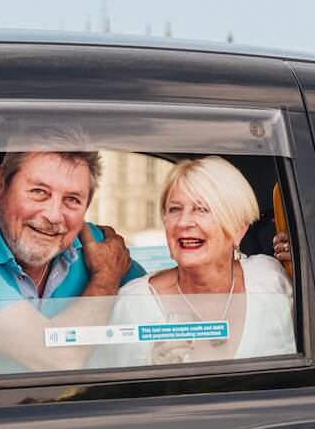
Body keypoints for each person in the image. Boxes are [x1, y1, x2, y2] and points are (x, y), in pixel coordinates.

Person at [89, 157, 296, 369]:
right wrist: (150, 374)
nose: (183, 222)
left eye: (201, 209)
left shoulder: (271, 281)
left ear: (238, 229)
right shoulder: (135, 304)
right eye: (175, 209)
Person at [0, 144, 146, 373]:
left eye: (72, 200)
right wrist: (105, 278)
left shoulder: (96, 245)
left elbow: (154, 306)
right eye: (38, 192)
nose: (54, 216)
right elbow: (58, 359)